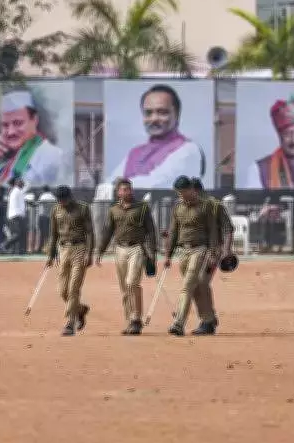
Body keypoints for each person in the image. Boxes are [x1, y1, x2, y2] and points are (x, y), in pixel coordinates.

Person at [164, 176, 234, 336]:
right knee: (198, 285)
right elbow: (176, 229)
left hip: (209, 250)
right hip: (188, 250)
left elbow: (226, 229)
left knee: (194, 283)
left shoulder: (213, 206)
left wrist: (224, 251)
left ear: (196, 191)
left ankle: (181, 321)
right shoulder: (181, 207)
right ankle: (208, 318)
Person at [107, 84, 205, 188]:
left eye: (162, 112)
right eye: (148, 113)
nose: (154, 119)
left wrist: (118, 185)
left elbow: (157, 183)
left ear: (176, 115)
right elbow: (109, 184)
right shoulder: (134, 153)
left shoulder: (189, 150)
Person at [96, 178, 157, 335]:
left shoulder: (142, 208)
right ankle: (130, 320)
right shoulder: (113, 210)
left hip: (137, 248)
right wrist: (100, 251)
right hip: (120, 249)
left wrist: (152, 252)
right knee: (124, 287)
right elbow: (107, 231)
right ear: (118, 192)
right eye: (124, 190)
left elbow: (151, 230)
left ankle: (137, 318)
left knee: (132, 282)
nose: (127, 192)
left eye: (129, 189)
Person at [0, 88, 65, 187]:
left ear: (34, 120)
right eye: (5, 125)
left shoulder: (51, 156)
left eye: (18, 123)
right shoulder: (4, 159)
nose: (11, 132)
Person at [46, 185, 93, 336]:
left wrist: (89, 253)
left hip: (79, 248)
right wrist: (50, 255)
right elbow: (53, 234)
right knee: (62, 290)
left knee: (74, 288)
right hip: (63, 249)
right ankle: (80, 309)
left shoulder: (83, 208)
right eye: (59, 200)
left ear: (70, 197)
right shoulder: (55, 210)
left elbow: (90, 232)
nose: (62, 202)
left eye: (64, 199)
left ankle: (70, 322)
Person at [2, 177, 27, 254]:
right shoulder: (18, 191)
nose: (23, 184)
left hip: (14, 215)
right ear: (17, 183)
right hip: (16, 215)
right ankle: (5, 245)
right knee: (18, 234)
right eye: (21, 182)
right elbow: (21, 205)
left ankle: (18, 251)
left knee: (19, 234)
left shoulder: (14, 191)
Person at [36, 185, 56, 252]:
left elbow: (38, 204)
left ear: (43, 190)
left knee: (42, 233)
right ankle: (49, 248)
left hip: (42, 217)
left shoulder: (42, 196)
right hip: (50, 217)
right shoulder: (52, 196)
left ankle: (40, 248)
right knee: (49, 233)